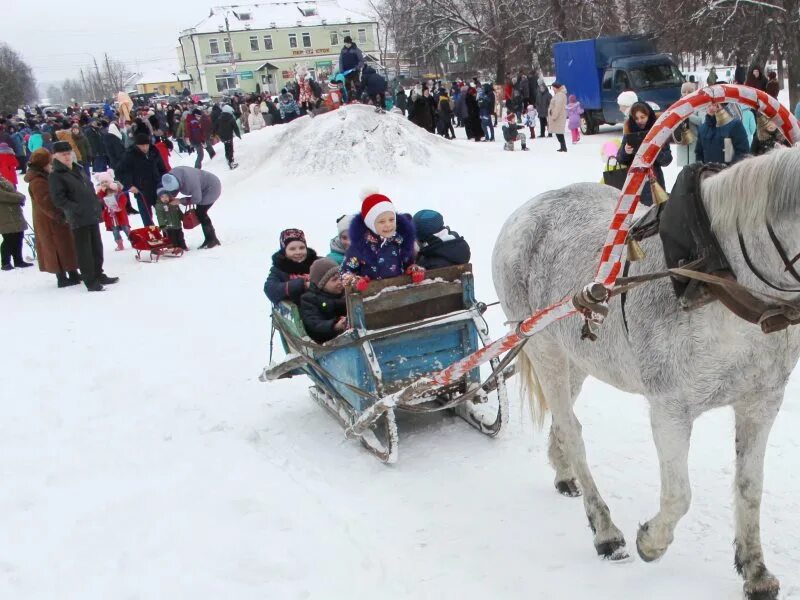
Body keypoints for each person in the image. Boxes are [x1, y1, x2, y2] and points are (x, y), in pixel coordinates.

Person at [48, 141, 118, 291]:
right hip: (78, 217)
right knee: (84, 250)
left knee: (96, 247)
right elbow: (59, 199)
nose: (67, 157)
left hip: (91, 213)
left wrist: (97, 202)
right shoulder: (56, 175)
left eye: (69, 153)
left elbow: (89, 188)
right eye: (63, 154)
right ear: (56, 156)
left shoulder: (77, 168)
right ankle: (90, 279)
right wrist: (76, 208)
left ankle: (99, 273)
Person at [341, 191, 422, 290]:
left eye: (391, 220)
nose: (388, 224)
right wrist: (355, 280)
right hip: (371, 297)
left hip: (399, 293)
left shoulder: (399, 241)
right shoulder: (360, 247)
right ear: (370, 223)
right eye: (381, 221)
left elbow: (408, 264)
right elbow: (345, 272)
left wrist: (413, 270)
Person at [23, 148, 80, 287]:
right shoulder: (37, 181)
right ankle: (61, 277)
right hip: (49, 221)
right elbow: (45, 202)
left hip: (57, 217)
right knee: (56, 248)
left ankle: (73, 272)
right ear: (43, 164)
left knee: (66, 245)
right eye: (49, 162)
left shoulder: (45, 176)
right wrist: (59, 215)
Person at [616, 102, 673, 206]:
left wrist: (655, 149)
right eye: (636, 118)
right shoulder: (629, 131)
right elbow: (620, 159)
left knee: (657, 213)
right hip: (634, 182)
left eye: (643, 117)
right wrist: (626, 151)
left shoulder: (659, 131)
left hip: (655, 182)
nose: (639, 121)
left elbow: (667, 160)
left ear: (649, 115)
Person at [160, 166, 222, 249]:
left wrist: (180, 201)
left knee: (201, 212)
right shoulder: (171, 176)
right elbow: (174, 189)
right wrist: (170, 198)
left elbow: (197, 198)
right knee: (200, 212)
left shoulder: (190, 181)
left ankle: (212, 239)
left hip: (212, 187)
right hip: (202, 188)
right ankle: (210, 239)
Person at [115, 132, 167, 227]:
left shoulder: (154, 151)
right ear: (136, 145)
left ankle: (167, 235)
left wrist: (164, 182)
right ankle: (152, 237)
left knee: (164, 214)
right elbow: (119, 172)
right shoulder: (129, 155)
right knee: (147, 218)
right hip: (141, 190)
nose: (145, 148)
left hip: (157, 188)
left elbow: (162, 168)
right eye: (142, 145)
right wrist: (129, 185)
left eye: (146, 145)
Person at [299, 257, 348, 344]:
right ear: (321, 284)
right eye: (334, 280)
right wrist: (335, 326)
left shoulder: (346, 292)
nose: (340, 282)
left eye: (341, 277)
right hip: (328, 342)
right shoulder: (309, 300)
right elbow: (314, 324)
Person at [264, 228, 318, 304]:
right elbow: (270, 289)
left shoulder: (317, 262)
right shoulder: (279, 268)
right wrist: (302, 285)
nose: (298, 252)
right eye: (292, 249)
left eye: (302, 248)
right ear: (284, 251)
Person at [0, 174, 32, 270]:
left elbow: (13, 190)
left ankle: (18, 260)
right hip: (4, 214)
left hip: (14, 213)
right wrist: (19, 198)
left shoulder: (2, 179)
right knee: (9, 239)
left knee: (19, 236)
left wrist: (21, 196)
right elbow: (4, 196)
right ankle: (5, 263)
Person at [94, 171, 131, 251]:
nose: (104, 184)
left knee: (126, 228)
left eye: (106, 181)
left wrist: (120, 206)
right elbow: (99, 198)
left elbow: (123, 199)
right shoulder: (103, 193)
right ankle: (119, 244)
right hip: (111, 216)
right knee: (115, 231)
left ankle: (132, 240)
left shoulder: (117, 191)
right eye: (102, 182)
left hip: (120, 214)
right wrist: (101, 191)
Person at [675, 82, 704, 167]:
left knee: (695, 169)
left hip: (695, 143)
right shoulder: (677, 105)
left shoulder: (699, 105)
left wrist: (688, 115)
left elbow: (701, 121)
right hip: (682, 143)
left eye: (690, 91)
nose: (686, 94)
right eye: (684, 91)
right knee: (684, 171)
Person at [214, 105, 241, 170]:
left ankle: (227, 158)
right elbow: (235, 127)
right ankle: (231, 162)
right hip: (229, 135)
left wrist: (218, 134)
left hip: (223, 137)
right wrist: (238, 135)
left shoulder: (219, 118)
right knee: (230, 148)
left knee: (226, 146)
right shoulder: (231, 118)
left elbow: (215, 127)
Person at [548, 82, 568, 152]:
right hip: (559, 116)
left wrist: (554, 115)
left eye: (553, 88)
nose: (553, 89)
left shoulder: (560, 95)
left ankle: (563, 147)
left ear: (556, 88)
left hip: (558, 117)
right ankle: (562, 147)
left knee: (559, 133)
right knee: (558, 132)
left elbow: (558, 107)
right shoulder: (560, 94)